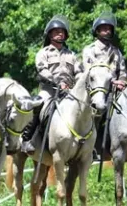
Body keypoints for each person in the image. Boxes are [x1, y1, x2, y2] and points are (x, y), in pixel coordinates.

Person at [21, 16, 83, 154]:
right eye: (56, 31)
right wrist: (57, 83)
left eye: (62, 32)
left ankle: (86, 145)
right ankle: (27, 139)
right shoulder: (43, 53)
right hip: (49, 90)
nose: (60, 34)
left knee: (84, 109)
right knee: (39, 106)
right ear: (50, 34)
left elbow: (79, 72)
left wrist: (76, 85)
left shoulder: (72, 54)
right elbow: (42, 70)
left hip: (69, 91)